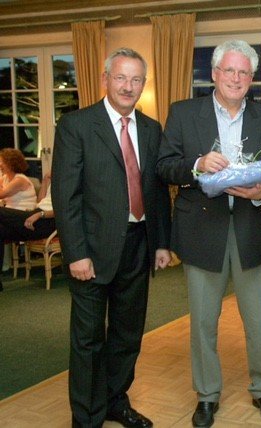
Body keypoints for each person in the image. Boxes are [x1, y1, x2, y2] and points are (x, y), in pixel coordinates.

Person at [156, 39, 261, 427]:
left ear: (252, 78)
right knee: (203, 322)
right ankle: (207, 395)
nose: (236, 77)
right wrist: (197, 164)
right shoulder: (183, 113)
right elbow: (164, 166)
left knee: (258, 319)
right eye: (229, 70)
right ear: (214, 74)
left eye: (244, 72)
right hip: (201, 229)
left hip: (251, 227)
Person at [51, 47, 172, 428]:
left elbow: (156, 190)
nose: (128, 86)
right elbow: (65, 195)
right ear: (105, 79)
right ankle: (87, 417)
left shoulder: (151, 128)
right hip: (91, 251)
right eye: (120, 77)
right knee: (88, 340)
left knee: (127, 335)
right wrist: (76, 253)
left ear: (143, 84)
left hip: (138, 245)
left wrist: (162, 242)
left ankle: (115, 401)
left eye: (136, 79)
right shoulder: (76, 125)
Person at [0, 171, 55, 292]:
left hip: (47, 220)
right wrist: (45, 181)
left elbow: (63, 211)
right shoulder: (55, 181)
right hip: (37, 213)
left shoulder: (69, 184)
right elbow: (40, 202)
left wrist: (40, 214)